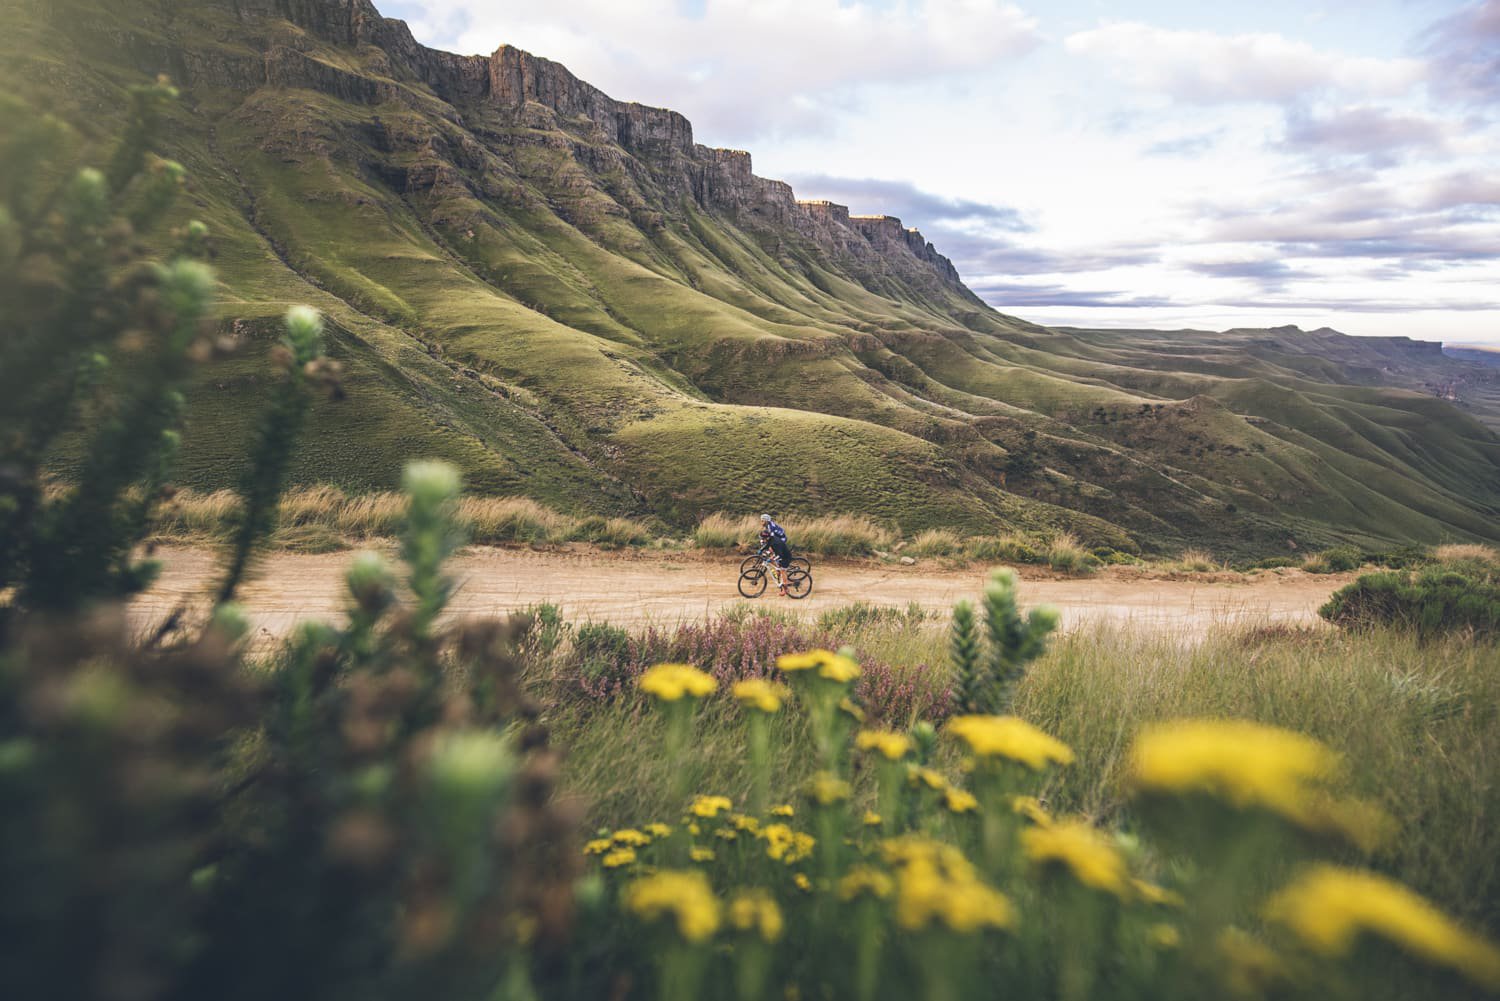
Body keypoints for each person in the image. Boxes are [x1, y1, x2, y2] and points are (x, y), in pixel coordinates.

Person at [758, 514, 793, 596]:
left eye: (762, 520)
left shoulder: (772, 531)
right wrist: (761, 550)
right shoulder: (770, 538)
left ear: (766, 520)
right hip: (779, 547)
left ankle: (786, 589)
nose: (761, 522)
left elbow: (779, 555)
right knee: (775, 562)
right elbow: (767, 544)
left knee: (782, 570)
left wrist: (771, 558)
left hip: (784, 554)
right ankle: (778, 570)